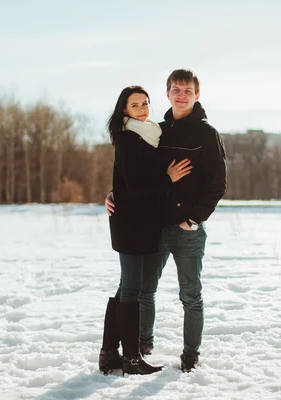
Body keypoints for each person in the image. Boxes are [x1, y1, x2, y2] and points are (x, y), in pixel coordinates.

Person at [105, 69, 227, 372]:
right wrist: (114, 193)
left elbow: (218, 183)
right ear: (168, 93)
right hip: (154, 224)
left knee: (190, 295)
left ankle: (190, 355)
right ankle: (142, 346)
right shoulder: (155, 131)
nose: (181, 95)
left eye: (187, 90)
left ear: (197, 95)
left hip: (186, 227)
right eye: (176, 89)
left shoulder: (207, 133)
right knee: (144, 291)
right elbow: (135, 170)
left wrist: (195, 219)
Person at [99, 85, 193, 375]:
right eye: (135, 105)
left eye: (144, 103)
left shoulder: (148, 134)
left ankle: (109, 353)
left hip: (141, 222)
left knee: (127, 286)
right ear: (124, 110)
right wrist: (168, 178)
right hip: (130, 223)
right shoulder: (129, 139)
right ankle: (131, 358)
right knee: (131, 289)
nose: (141, 109)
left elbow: (126, 182)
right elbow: (136, 186)